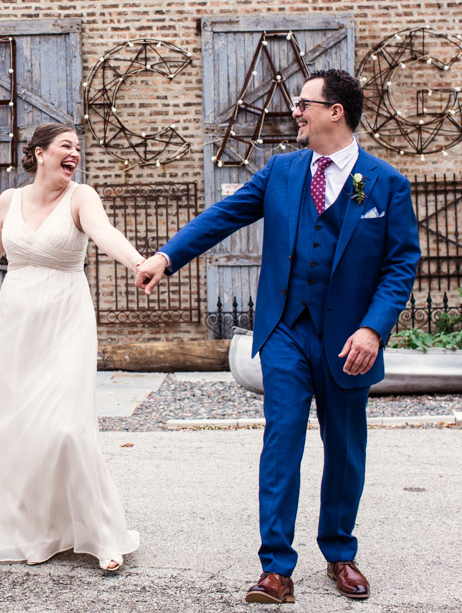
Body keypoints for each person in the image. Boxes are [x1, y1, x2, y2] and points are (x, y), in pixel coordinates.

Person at [136, 69, 420, 603]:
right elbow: (224, 216)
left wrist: (373, 329)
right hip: (286, 330)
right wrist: (166, 256)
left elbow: (401, 263)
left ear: (335, 111)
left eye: (304, 103)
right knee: (281, 441)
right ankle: (276, 568)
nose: (295, 111)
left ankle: (340, 554)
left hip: (348, 340)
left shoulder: (385, 183)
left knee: (345, 448)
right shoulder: (283, 172)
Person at [0, 123, 143, 571]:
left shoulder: (81, 197)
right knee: (15, 428)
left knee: (68, 429)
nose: (74, 153)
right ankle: (32, 527)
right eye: (65, 146)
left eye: (77, 148)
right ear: (38, 153)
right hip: (17, 324)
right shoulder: (9, 200)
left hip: (66, 320)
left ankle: (101, 535)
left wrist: (137, 261)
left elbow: (104, 233)